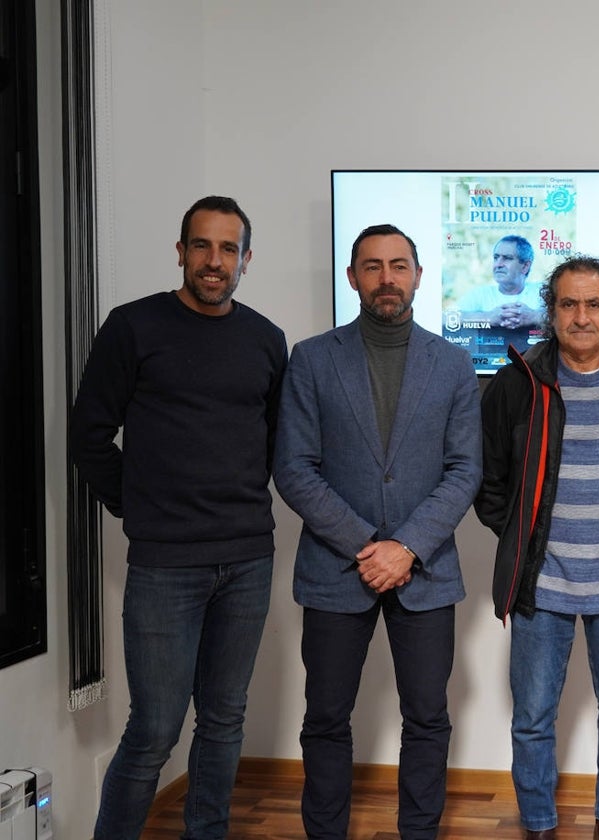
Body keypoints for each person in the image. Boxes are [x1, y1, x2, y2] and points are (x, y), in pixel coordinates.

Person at [69, 195, 287, 839]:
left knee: (224, 721)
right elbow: (88, 437)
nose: (213, 261)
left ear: (246, 259)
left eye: (227, 249)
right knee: (156, 728)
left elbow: (275, 445)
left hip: (248, 558)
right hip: (166, 564)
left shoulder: (266, 339)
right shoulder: (133, 327)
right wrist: (140, 508)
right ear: (181, 252)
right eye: (201, 246)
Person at [273, 224, 482, 840]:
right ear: (353, 278)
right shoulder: (312, 359)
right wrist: (370, 546)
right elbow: (293, 466)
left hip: (426, 570)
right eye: (372, 267)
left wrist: (407, 547)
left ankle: (419, 832)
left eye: (398, 266)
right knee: (326, 718)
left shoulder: (454, 363)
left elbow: (465, 468)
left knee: (427, 717)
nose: (386, 278)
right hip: (338, 570)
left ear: (418, 275)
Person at [475, 255, 599, 840]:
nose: (581, 317)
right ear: (551, 311)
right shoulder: (517, 382)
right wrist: (523, 541)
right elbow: (491, 484)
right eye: (568, 304)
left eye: (594, 304)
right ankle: (538, 824)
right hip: (542, 585)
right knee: (534, 720)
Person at [457, 234, 542, 330]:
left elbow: (561, 317)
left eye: (507, 258)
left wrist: (533, 316)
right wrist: (487, 317)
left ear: (525, 266)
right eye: (496, 258)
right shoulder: (480, 294)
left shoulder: (541, 292)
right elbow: (444, 318)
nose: (498, 264)